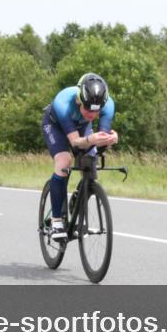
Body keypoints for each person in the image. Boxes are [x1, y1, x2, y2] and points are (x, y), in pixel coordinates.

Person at [41, 73, 119, 240]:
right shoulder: (64, 103)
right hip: (55, 126)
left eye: (96, 112)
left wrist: (110, 139)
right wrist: (91, 139)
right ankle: (56, 222)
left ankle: (78, 197)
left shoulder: (107, 105)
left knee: (90, 162)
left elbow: (101, 140)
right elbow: (76, 142)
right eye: (88, 109)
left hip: (82, 128)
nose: (92, 114)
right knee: (64, 161)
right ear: (79, 100)